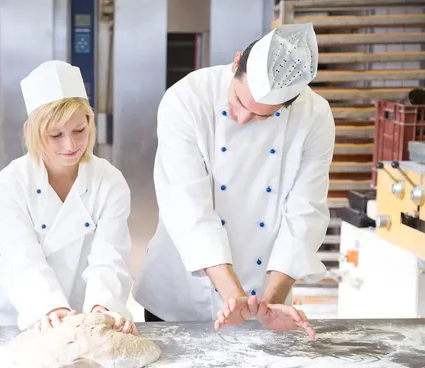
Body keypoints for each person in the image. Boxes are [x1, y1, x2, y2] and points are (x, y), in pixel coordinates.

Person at [133, 23, 334, 339]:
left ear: (289, 103)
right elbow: (188, 208)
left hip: (265, 290)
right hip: (180, 295)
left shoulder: (315, 117)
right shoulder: (187, 99)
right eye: (239, 102)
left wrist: (270, 303)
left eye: (260, 116)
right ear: (236, 61)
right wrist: (231, 294)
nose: (242, 118)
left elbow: (305, 212)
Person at [0, 60, 137, 335]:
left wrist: (102, 306)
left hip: (92, 315)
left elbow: (110, 254)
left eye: (79, 130)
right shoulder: (9, 185)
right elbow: (21, 257)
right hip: (31, 313)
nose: (70, 145)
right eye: (55, 135)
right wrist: (50, 307)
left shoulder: (109, 181)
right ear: (30, 132)